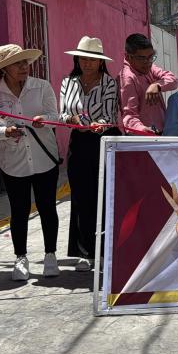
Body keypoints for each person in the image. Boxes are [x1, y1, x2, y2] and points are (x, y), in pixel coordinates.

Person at [0, 44, 60, 281]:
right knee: (19, 210)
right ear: (5, 69)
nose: (25, 67)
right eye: (18, 63)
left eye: (25, 62)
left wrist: (45, 120)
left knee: (47, 208)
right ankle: (21, 258)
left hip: (44, 158)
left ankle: (50, 255)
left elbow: (56, 116)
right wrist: (5, 131)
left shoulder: (41, 87)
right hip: (13, 162)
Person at [60, 36, 121, 272]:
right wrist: (73, 119)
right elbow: (63, 112)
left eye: (92, 59)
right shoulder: (68, 82)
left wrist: (99, 124)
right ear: (77, 59)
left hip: (102, 141)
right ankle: (85, 252)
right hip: (78, 142)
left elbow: (110, 113)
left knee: (104, 197)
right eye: (83, 58)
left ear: (100, 62)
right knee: (81, 198)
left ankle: (105, 251)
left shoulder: (109, 83)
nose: (87, 63)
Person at [119, 33, 177, 135]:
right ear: (128, 57)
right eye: (141, 58)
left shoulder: (148, 67)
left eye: (150, 57)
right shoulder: (128, 79)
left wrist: (157, 85)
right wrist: (141, 129)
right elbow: (129, 115)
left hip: (162, 132)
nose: (147, 62)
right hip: (144, 136)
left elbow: (173, 80)